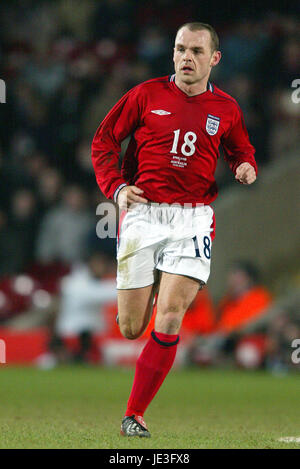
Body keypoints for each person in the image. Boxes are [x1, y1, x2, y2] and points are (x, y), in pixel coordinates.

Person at [91, 22, 257, 438]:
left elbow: (240, 147)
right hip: (144, 214)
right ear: (172, 54)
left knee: (170, 318)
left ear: (214, 59)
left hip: (193, 217)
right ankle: (141, 291)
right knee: (132, 328)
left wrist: (244, 165)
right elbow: (104, 141)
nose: (187, 57)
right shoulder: (145, 95)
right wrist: (117, 187)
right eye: (181, 49)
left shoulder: (227, 109)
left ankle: (135, 414)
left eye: (197, 51)